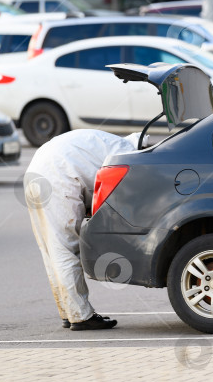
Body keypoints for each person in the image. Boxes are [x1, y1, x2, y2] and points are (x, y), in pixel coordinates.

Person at [24, 129, 138, 331]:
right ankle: (81, 316)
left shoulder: (111, 143)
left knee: (51, 248)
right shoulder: (127, 155)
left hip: (37, 170)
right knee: (66, 248)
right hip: (58, 176)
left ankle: (68, 312)